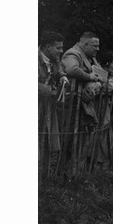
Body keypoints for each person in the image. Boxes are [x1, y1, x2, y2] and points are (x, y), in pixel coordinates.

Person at [38, 31, 70, 164]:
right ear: (48, 47)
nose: (61, 51)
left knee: (47, 141)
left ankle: (44, 173)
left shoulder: (53, 60)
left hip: (47, 108)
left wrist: (62, 76)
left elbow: (59, 69)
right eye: (58, 48)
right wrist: (49, 90)